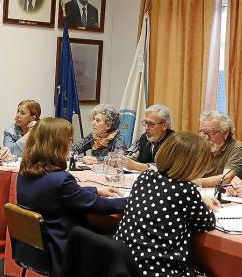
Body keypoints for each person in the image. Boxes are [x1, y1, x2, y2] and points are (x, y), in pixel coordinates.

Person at [17, 117, 127, 277]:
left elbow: (66, 196)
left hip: (32, 249)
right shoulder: (60, 180)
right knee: (119, 247)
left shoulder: (25, 173)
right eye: (68, 140)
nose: (70, 145)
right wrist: (133, 201)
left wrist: (95, 190)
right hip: (61, 249)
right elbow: (96, 205)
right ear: (56, 144)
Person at [114, 132, 220, 276]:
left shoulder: (145, 177)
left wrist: (199, 200)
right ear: (194, 165)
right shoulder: (186, 189)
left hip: (123, 266)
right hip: (157, 270)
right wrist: (204, 204)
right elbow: (207, 222)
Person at [193, 111, 242, 187]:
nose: (206, 137)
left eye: (211, 133)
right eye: (203, 132)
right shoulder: (198, 146)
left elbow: (226, 178)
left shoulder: (238, 148)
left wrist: (195, 183)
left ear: (225, 133)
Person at [124, 104, 174, 172]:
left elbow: (166, 167)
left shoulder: (174, 142)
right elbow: (129, 156)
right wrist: (119, 160)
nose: (146, 128)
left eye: (151, 124)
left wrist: (137, 166)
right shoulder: (144, 137)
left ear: (164, 126)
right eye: (146, 123)